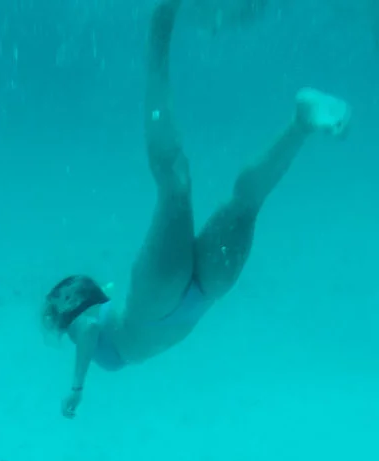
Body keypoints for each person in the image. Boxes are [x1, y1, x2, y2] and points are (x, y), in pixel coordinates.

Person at [42, 0, 351, 419]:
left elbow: (90, 329)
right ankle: (303, 120)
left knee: (189, 188)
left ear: (67, 306)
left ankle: (162, 22)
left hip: (173, 301)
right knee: (224, 198)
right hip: (185, 295)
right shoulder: (102, 305)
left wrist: (77, 386)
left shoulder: (87, 320)